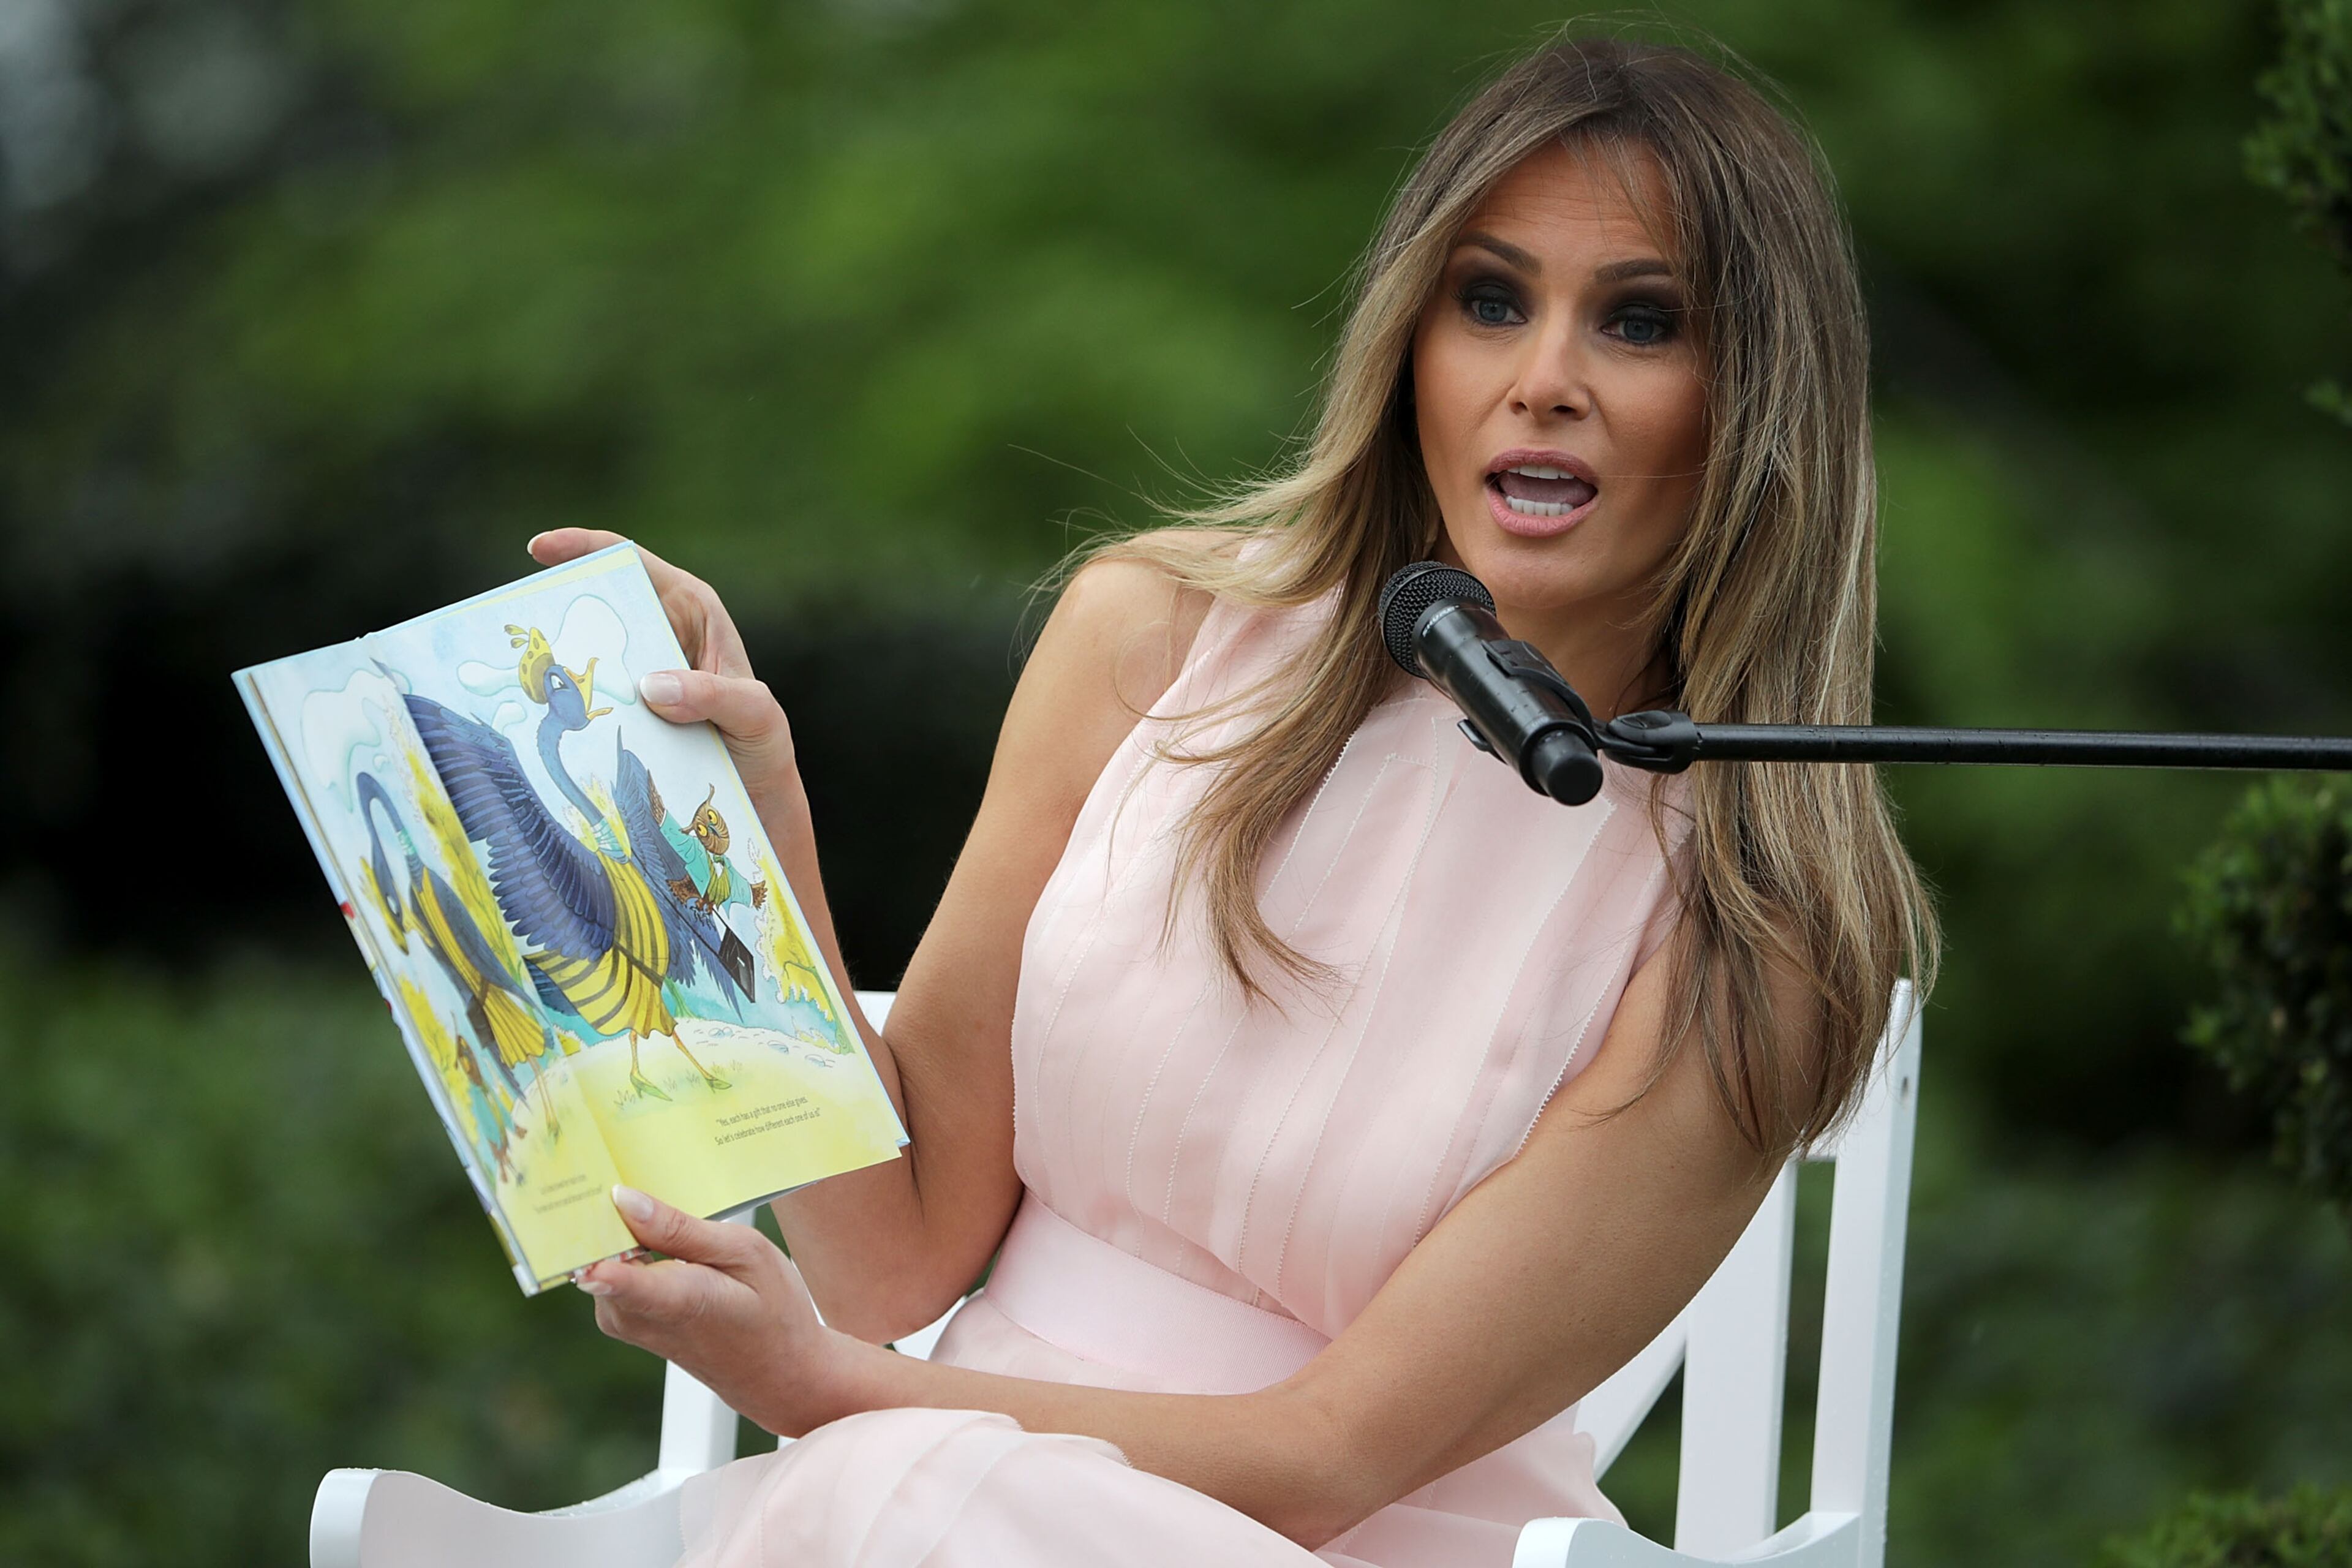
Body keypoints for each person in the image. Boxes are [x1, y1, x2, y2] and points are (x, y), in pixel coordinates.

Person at [529, 28, 1936, 1568]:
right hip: (950, 1498)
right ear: (1413, 341)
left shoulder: (1760, 928)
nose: (1544, 382)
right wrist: (754, 831)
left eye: (1639, 322)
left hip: (1329, 1533)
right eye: (1490, 300)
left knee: (898, 1502)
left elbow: (1332, 1458)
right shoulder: (1156, 635)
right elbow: (894, 1259)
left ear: (1758, 402)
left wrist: (836, 1396)